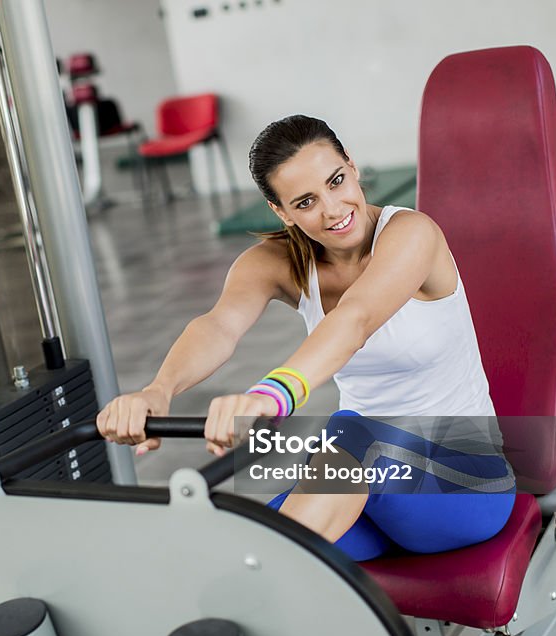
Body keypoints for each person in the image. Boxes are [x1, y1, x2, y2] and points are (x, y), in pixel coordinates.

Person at [96, 114, 516, 561]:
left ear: (352, 166)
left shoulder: (413, 234)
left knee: (347, 436)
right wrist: (159, 390)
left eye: (336, 181)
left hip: (464, 483)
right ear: (280, 211)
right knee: (256, 536)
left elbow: (354, 320)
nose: (333, 209)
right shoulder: (275, 262)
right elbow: (218, 326)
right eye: (305, 202)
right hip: (373, 484)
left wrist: (269, 397)